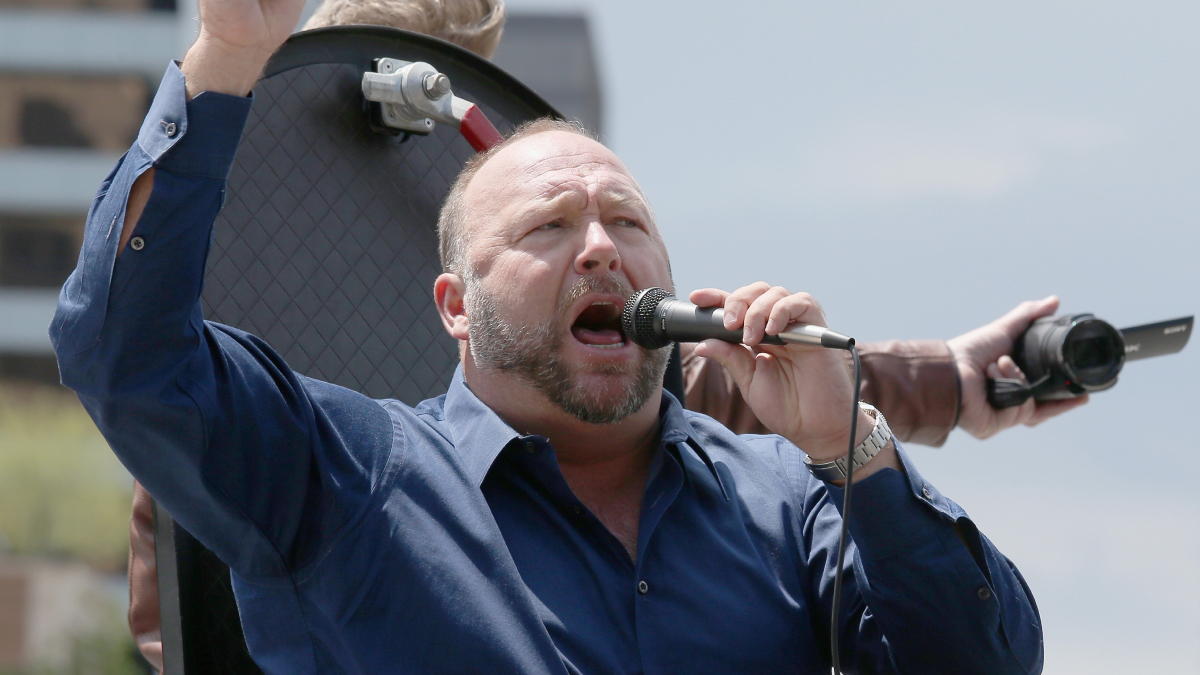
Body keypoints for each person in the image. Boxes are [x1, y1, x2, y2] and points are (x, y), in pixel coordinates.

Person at [54, 0, 1048, 672]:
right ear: (453, 306)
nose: (601, 249)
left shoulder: (789, 499)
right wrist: (228, 57)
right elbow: (128, 353)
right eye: (547, 228)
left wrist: (855, 451)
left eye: (629, 221)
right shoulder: (340, 473)